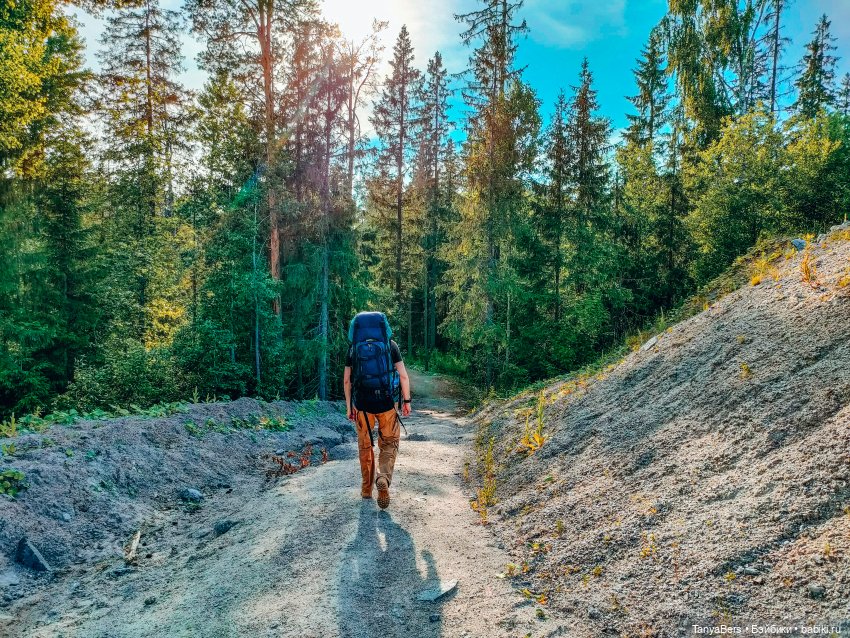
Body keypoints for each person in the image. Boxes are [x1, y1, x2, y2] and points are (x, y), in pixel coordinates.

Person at [343, 312, 412, 509]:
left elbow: (347, 380)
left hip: (362, 405)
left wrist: (349, 407)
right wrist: (406, 401)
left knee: (365, 446)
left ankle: (366, 490)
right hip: (387, 403)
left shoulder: (353, 348)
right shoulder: (390, 345)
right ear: (383, 327)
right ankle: (383, 477)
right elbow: (403, 376)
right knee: (389, 442)